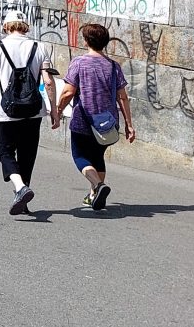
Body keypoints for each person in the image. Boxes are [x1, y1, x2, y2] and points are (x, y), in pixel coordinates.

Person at [54, 22, 135, 210]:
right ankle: (94, 195)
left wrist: (57, 110)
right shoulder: (114, 66)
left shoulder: (79, 63)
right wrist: (129, 124)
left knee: (80, 155)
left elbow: (68, 92)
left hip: (84, 120)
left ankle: (98, 186)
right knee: (98, 157)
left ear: (86, 41)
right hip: (108, 123)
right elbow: (122, 97)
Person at [0, 10, 55, 215]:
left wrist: (0, 83)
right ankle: (23, 197)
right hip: (34, 110)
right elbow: (48, 81)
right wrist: (55, 111)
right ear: (25, 26)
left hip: (7, 111)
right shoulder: (39, 47)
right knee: (28, 154)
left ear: (7, 26)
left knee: (5, 151)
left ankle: (21, 188)